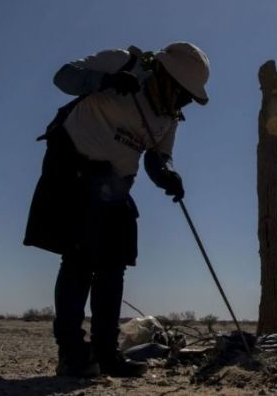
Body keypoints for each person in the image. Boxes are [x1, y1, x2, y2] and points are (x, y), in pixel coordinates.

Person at [24, 42, 210, 378]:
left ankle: (106, 353)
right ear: (166, 76)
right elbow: (63, 77)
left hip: (114, 182)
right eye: (183, 93)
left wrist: (167, 175)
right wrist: (103, 82)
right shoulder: (123, 63)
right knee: (79, 260)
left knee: (114, 264)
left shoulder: (169, 118)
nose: (184, 102)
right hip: (72, 165)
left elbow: (157, 157)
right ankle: (72, 353)